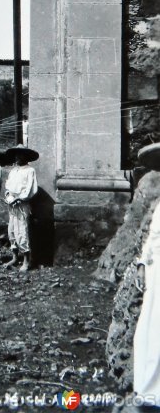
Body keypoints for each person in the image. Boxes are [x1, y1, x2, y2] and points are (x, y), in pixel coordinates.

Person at [133, 142, 160, 408]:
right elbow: (152, 237)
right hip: (155, 270)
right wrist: (142, 265)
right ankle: (148, 389)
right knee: (151, 326)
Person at [3, 143, 39, 272]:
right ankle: (14, 257)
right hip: (12, 204)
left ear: (26, 157)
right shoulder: (14, 170)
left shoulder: (30, 170)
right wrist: (8, 196)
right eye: (16, 155)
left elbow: (31, 188)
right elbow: (8, 186)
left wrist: (20, 198)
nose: (18, 157)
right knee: (12, 231)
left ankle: (26, 261)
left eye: (21, 155)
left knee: (22, 231)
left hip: (22, 204)